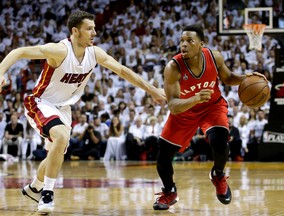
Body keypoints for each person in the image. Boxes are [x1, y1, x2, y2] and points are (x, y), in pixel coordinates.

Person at [0, 11, 166, 214]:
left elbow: (123, 71)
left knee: (56, 151)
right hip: (41, 102)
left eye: (95, 28)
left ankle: (34, 187)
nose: (94, 32)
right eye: (89, 28)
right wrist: (1, 71)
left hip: (64, 108)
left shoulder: (95, 53)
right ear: (75, 31)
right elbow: (19, 52)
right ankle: (47, 194)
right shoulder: (60, 50)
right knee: (61, 137)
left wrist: (153, 90)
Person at [153, 25, 267, 210]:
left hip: (212, 107)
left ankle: (218, 174)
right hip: (184, 111)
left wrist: (247, 78)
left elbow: (228, 78)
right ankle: (169, 191)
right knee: (163, 156)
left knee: (220, 141)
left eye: (190, 41)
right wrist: (195, 98)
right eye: (182, 41)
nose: (184, 44)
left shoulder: (214, 57)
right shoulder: (173, 67)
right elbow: (173, 106)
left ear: (201, 44)